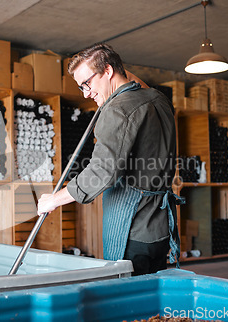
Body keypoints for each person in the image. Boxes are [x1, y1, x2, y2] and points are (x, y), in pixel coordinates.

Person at [37, 43, 182, 276]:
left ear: (107, 71)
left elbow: (101, 172)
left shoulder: (116, 110)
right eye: (80, 87)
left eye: (87, 83)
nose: (86, 93)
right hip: (159, 229)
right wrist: (114, 78)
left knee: (128, 299)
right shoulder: (159, 99)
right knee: (152, 297)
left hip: (131, 229)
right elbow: (133, 84)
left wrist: (54, 199)